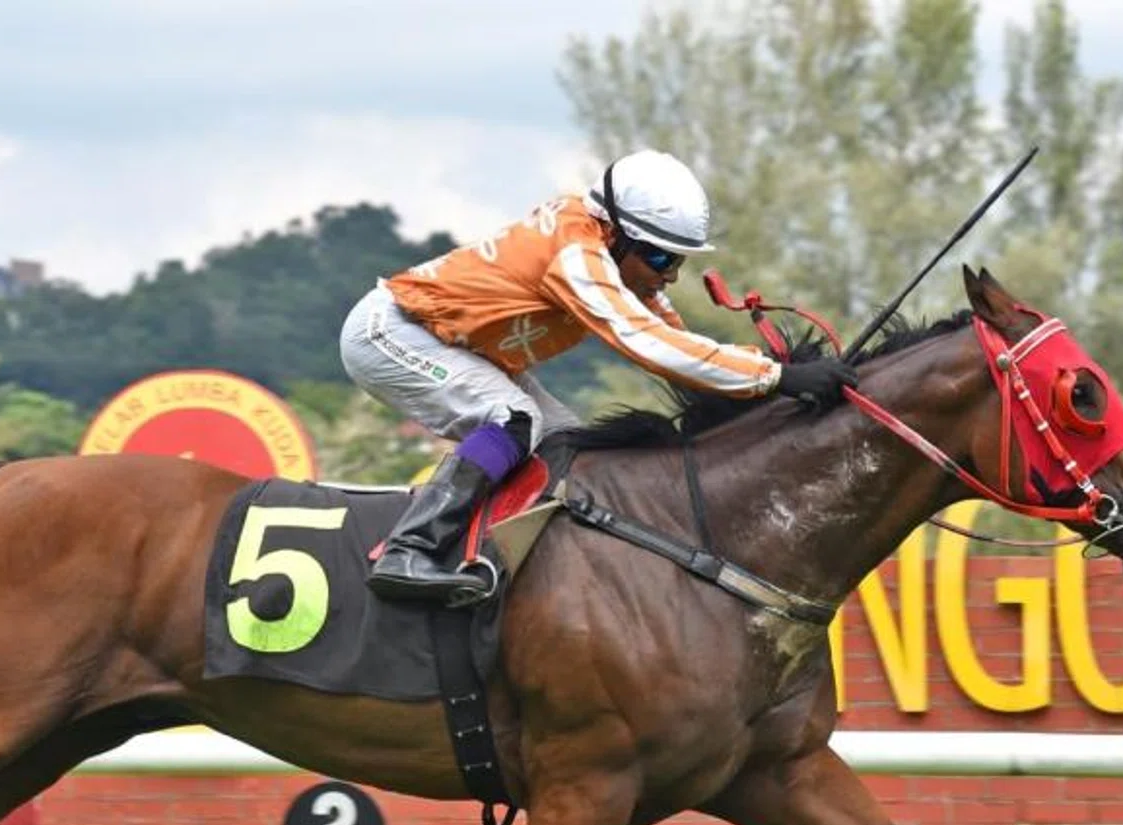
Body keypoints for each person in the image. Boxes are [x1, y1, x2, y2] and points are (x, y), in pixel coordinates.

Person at [340, 148, 858, 605]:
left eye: (676, 260)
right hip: (392, 332)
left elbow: (675, 339)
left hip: (459, 347)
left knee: (563, 441)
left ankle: (489, 557)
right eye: (659, 257)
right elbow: (648, 345)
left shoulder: (609, 250)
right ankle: (409, 550)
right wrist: (773, 379)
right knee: (515, 418)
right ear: (616, 235)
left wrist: (775, 371)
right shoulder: (576, 255)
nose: (669, 274)